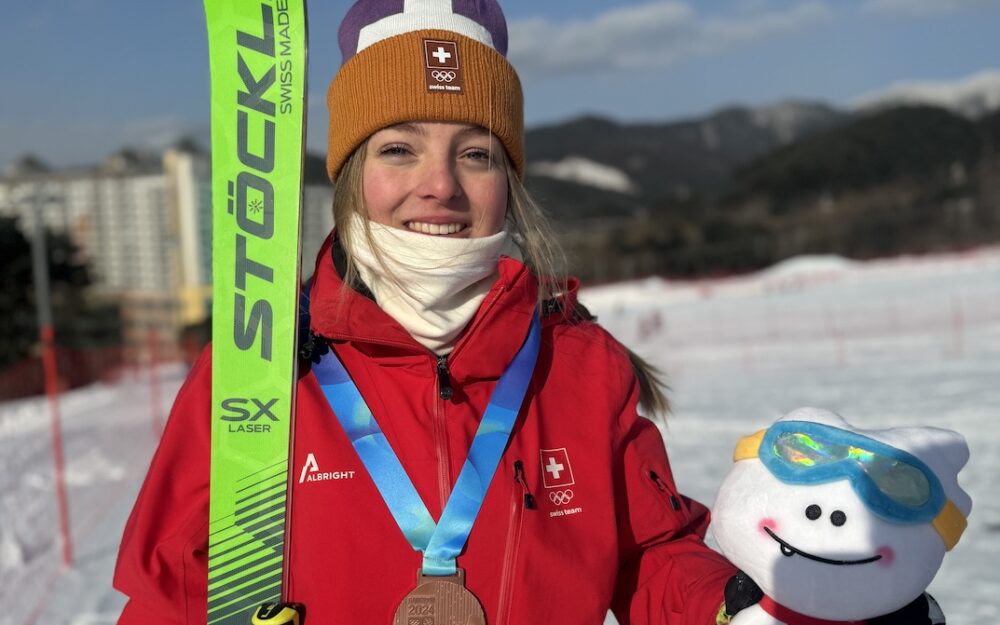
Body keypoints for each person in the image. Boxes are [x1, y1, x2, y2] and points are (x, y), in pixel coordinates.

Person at [113, 1, 737, 623]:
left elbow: (650, 556)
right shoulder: (258, 365)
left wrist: (732, 611)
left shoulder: (578, 364)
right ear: (351, 174)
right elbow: (173, 594)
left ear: (509, 182)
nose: (441, 185)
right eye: (398, 149)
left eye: (475, 154)